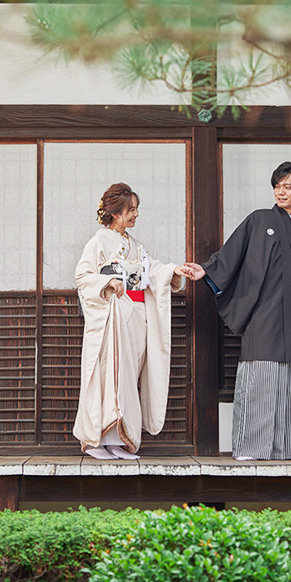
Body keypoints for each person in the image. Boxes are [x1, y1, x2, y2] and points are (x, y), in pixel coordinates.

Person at [182, 161, 291, 460]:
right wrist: (206, 270)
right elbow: (233, 254)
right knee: (261, 375)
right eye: (277, 186)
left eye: (288, 186)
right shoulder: (259, 220)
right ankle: (250, 447)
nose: (281, 191)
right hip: (265, 311)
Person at [74, 183, 186, 460]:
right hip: (110, 317)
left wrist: (174, 269)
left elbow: (153, 271)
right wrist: (108, 281)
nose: (136, 215)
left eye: (136, 209)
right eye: (131, 210)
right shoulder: (99, 241)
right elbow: (83, 276)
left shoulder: (135, 246)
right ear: (115, 212)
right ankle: (95, 440)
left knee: (126, 378)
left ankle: (118, 439)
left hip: (134, 318)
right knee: (106, 377)